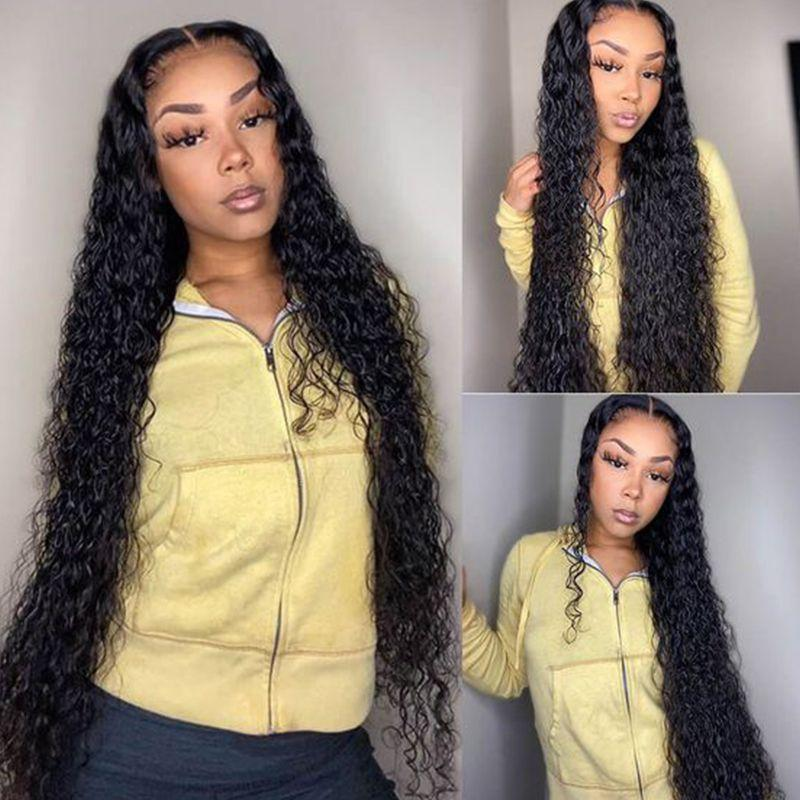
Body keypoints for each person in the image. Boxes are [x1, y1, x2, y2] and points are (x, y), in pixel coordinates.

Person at [0, 20, 456, 800]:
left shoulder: (362, 307)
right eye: (188, 137)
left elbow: (402, 495)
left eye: (252, 117)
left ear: (284, 132)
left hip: (323, 750)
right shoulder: (129, 338)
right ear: (149, 170)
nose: (233, 156)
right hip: (142, 749)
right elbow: (91, 540)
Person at [461, 394, 783, 799]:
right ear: (589, 462)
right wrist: (460, 613)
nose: (634, 490)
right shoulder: (533, 560)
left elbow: (711, 703)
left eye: (657, 475)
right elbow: (507, 674)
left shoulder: (676, 576)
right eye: (617, 461)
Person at [501, 0, 759, 393]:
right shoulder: (547, 175)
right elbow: (541, 283)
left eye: (651, 72)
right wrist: (515, 212)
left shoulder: (697, 165)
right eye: (609, 65)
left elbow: (736, 305)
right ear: (568, 70)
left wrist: (709, 401)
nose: (633, 93)